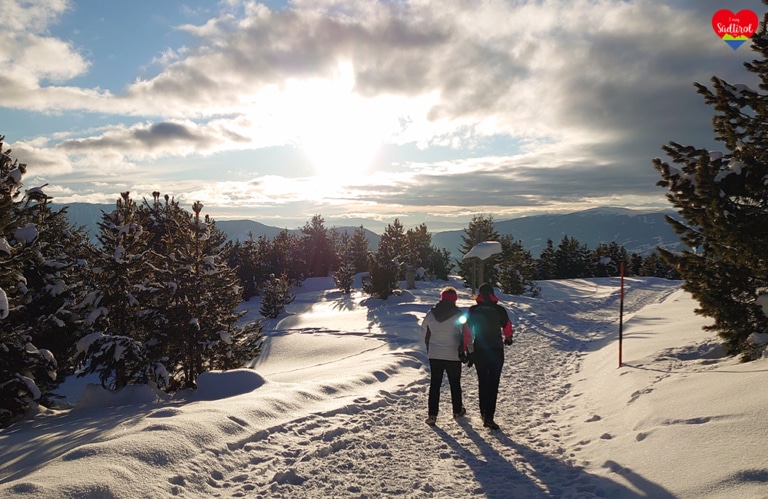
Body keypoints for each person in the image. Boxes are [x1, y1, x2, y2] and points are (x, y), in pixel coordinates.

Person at [462, 283, 514, 430]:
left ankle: (483, 413)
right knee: (493, 383)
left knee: (482, 381)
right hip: (496, 349)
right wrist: (508, 338)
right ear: (492, 294)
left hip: (480, 349)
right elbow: (507, 326)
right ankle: (489, 418)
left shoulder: (473, 310)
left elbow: (466, 330)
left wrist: (465, 348)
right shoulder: (499, 310)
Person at [421, 286, 467, 426]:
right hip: (453, 354)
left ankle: (432, 415)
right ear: (454, 300)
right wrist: (465, 349)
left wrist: (430, 346)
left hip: (435, 354)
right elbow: (465, 333)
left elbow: (424, 331)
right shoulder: (458, 315)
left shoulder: (431, 313)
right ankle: (457, 410)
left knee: (435, 384)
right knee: (454, 383)